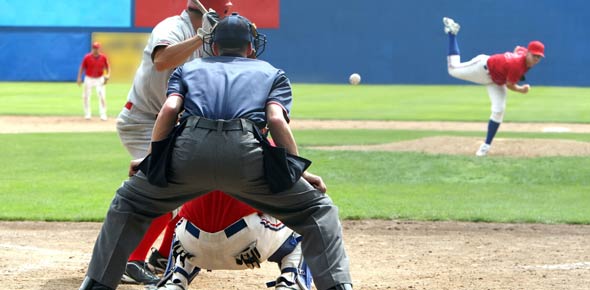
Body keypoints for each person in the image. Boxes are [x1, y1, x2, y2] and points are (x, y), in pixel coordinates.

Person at [78, 13, 353, 290]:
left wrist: (154, 160)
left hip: (188, 152)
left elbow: (170, 110)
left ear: (214, 46)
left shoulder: (187, 69)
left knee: (130, 203)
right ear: (250, 48)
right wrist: (299, 172)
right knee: (318, 210)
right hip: (247, 156)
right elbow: (276, 120)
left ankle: (97, 285)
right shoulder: (272, 73)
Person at [114, 0, 219, 285]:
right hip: (143, 121)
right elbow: (161, 60)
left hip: (170, 122)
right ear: (210, 13)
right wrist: (200, 37)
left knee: (192, 188)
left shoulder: (211, 39)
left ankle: (163, 255)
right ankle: (128, 261)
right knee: (164, 188)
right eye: (225, 12)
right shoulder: (173, 27)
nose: (228, 17)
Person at [157, 190, 312, 290]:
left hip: (190, 248)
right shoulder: (262, 146)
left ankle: (176, 278)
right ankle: (291, 280)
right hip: (248, 246)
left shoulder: (186, 147)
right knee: (305, 218)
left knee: (183, 220)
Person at [442, 17, 545, 156]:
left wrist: (508, 65)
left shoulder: (522, 53)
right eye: (534, 56)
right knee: (452, 69)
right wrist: (522, 89)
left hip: (496, 80)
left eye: (539, 57)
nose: (536, 60)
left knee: (498, 110)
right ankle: (452, 33)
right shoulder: (517, 65)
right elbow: (510, 85)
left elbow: (517, 49)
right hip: (482, 68)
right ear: (528, 53)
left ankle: (485, 146)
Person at [77, 41, 110, 121]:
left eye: (97, 48)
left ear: (99, 49)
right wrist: (79, 77)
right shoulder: (87, 57)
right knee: (86, 96)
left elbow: (107, 67)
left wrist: (108, 75)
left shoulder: (103, 57)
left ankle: (103, 114)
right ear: (92, 48)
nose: (96, 50)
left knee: (102, 96)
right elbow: (82, 67)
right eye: (94, 48)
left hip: (99, 78)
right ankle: (87, 114)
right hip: (89, 78)